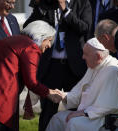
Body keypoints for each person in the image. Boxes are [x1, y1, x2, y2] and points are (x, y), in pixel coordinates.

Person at [0, 20, 63, 131]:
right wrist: (49, 93)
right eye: (49, 40)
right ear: (41, 36)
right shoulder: (31, 48)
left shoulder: (12, 39)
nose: (49, 45)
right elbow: (31, 83)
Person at [24, 0, 92, 130]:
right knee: (48, 111)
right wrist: (42, 9)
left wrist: (66, 10)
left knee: (76, 109)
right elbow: (28, 27)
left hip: (74, 67)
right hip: (50, 66)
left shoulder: (82, 3)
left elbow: (85, 28)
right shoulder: (46, 3)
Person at [46, 37, 118, 131]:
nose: (83, 57)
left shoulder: (113, 71)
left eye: (86, 54)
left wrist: (85, 113)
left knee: (74, 123)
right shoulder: (95, 66)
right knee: (57, 118)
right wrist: (64, 96)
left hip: (109, 118)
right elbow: (82, 92)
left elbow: (108, 106)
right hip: (94, 114)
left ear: (98, 57)